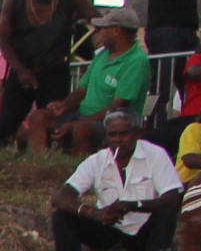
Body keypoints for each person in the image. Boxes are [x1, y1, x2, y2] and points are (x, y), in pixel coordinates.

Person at [51, 109, 182, 251]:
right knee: (62, 215)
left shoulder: (155, 155)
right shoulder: (98, 160)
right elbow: (60, 197)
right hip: (109, 227)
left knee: (165, 215)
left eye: (124, 133)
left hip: (143, 231)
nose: (118, 139)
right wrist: (94, 213)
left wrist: (135, 206)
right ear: (106, 137)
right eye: (112, 135)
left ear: (137, 133)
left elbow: (173, 198)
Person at [0, 0, 86, 152]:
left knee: (52, 120)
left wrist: (81, 24)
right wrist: (20, 70)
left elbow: (98, 20)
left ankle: (50, 162)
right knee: (5, 125)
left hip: (55, 72)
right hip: (22, 71)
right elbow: (3, 40)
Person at [62, 9, 151, 153]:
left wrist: (76, 123)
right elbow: (81, 90)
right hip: (83, 116)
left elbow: (117, 108)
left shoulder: (137, 61)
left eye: (104, 29)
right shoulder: (103, 55)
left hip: (115, 124)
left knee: (81, 129)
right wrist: (63, 106)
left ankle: (82, 172)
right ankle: (41, 169)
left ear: (116, 30)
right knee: (40, 118)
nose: (100, 33)